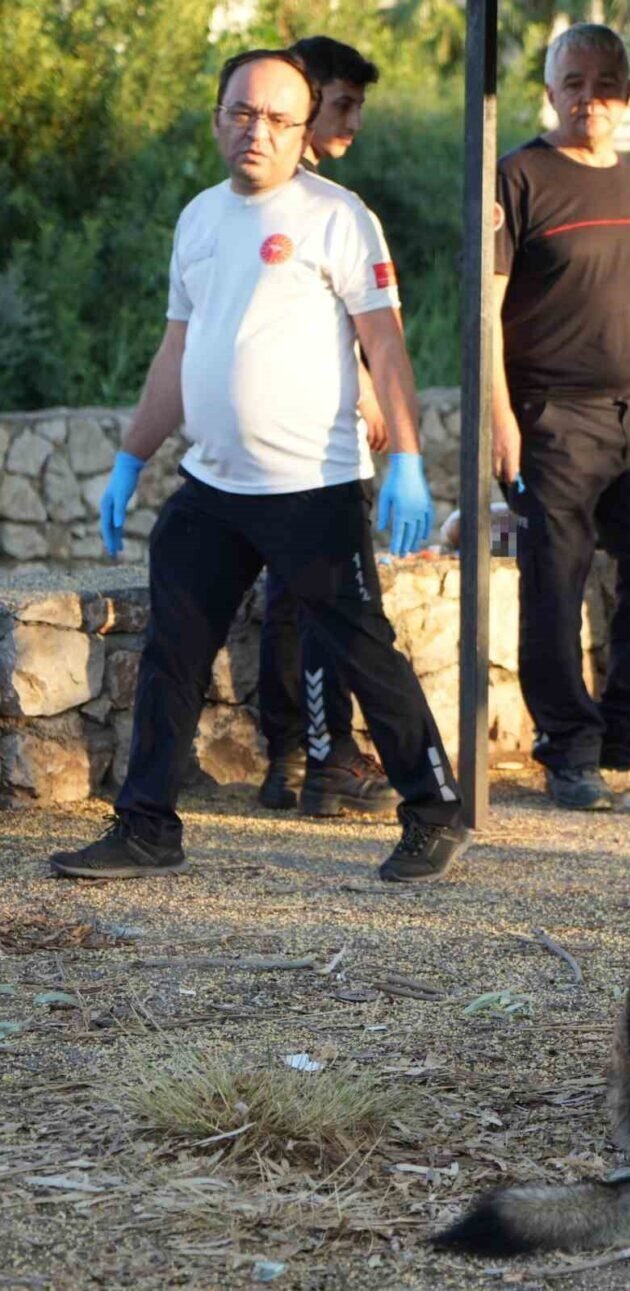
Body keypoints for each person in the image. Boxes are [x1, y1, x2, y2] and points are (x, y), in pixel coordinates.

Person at [49, 49, 469, 882]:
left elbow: (385, 345)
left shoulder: (338, 215)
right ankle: (146, 827)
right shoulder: (199, 219)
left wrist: (410, 460)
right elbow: (177, 350)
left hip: (312, 488)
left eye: (279, 118)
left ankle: (434, 810)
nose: (258, 131)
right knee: (171, 653)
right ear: (217, 119)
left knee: (362, 649)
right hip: (212, 487)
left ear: (304, 129)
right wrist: (131, 458)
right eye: (243, 112)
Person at [491, 23, 630, 811]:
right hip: (555, 416)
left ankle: (628, 724)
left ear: (627, 95)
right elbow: (485, 309)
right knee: (556, 582)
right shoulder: (516, 177)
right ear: (551, 92)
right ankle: (570, 748)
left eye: (605, 84)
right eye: (575, 83)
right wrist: (499, 418)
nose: (591, 98)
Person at [254, 35, 397, 817]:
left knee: (291, 601)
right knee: (331, 605)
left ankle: (292, 755)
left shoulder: (264, 199)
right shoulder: (318, 207)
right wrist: (369, 392)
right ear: (304, 100)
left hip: (275, 443)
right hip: (313, 447)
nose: (354, 122)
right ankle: (326, 758)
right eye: (343, 104)